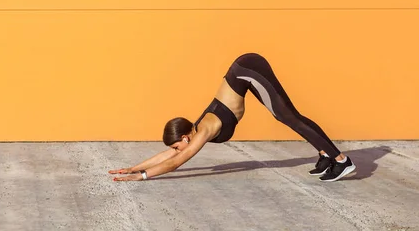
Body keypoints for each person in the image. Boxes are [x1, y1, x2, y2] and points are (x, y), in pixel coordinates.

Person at [109, 53, 356, 182]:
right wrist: (133, 167)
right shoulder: (194, 131)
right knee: (288, 117)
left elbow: (175, 162)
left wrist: (140, 177)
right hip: (245, 73)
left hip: (249, 69)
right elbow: (172, 155)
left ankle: (341, 160)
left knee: (289, 117)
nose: (178, 150)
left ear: (185, 137)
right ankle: (325, 155)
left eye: (177, 145)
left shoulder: (204, 129)